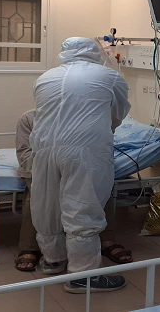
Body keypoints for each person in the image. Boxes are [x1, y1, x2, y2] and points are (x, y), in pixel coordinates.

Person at [30, 37, 131, 293]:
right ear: (95, 52)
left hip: (44, 147)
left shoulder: (45, 78)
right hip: (85, 149)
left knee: (47, 205)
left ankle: (53, 260)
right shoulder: (110, 77)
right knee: (82, 208)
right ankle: (83, 276)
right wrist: (102, 129)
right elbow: (117, 113)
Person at [14, 109, 133, 271]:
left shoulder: (85, 116)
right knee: (38, 196)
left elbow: (100, 145)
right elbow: (24, 154)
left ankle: (107, 239)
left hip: (78, 167)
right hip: (38, 169)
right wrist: (49, 171)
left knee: (100, 187)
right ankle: (30, 247)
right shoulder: (28, 119)